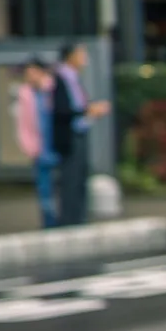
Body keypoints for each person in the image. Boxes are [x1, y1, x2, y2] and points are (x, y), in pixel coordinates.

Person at [52, 42, 110, 227]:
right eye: (81, 54)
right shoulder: (60, 78)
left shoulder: (73, 77)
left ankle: (78, 219)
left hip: (80, 131)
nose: (84, 59)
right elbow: (62, 109)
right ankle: (69, 221)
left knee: (80, 178)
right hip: (69, 135)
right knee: (70, 179)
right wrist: (88, 110)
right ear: (71, 55)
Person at [15, 57, 59, 229]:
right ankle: (49, 223)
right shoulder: (25, 94)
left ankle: (63, 219)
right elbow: (22, 123)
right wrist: (29, 146)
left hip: (56, 145)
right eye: (27, 73)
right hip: (39, 149)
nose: (30, 76)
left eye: (33, 72)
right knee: (44, 189)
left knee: (60, 186)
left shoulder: (52, 89)